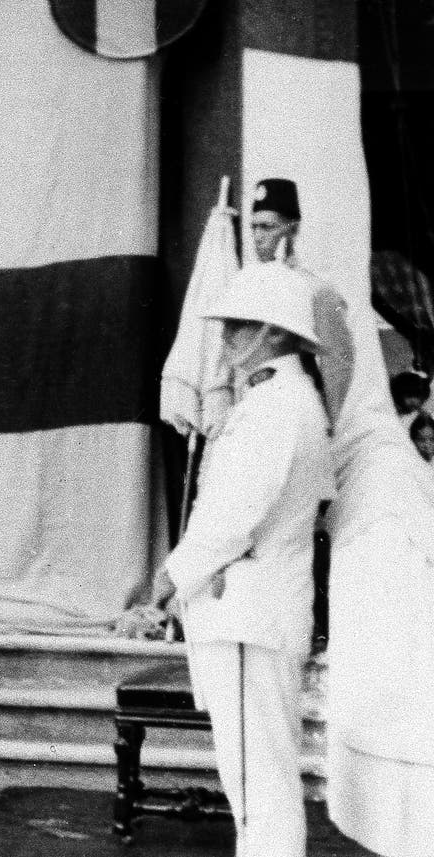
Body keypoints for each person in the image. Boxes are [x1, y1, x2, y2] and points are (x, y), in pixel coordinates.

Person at [165, 262, 333, 857]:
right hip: (251, 610)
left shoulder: (278, 405)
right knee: (257, 779)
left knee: (259, 782)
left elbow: (235, 513)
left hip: (248, 612)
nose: (230, 338)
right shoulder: (279, 399)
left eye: (241, 326)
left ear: (276, 333)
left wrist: (170, 576)